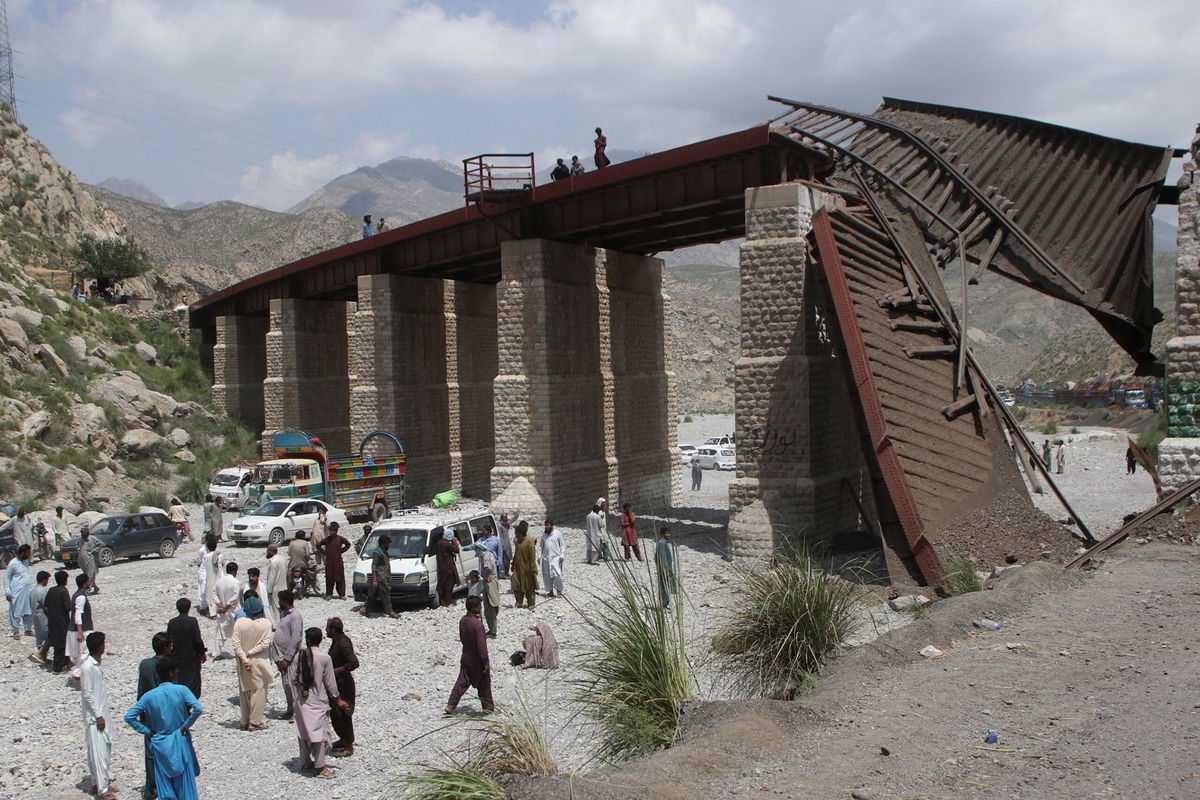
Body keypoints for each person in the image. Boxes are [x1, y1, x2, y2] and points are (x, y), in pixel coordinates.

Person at [123, 658, 203, 800]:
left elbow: (129, 717)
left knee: (165, 783)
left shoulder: (149, 696)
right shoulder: (182, 690)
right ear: (172, 673)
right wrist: (185, 726)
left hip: (160, 742)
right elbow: (198, 708)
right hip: (179, 739)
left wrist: (148, 732)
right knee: (185, 782)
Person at [291, 626, 348, 778]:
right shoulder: (324, 658)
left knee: (304, 732)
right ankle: (320, 767)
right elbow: (330, 683)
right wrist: (338, 699)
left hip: (302, 700)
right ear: (321, 640)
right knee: (320, 734)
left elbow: (293, 678)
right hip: (318, 701)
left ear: (307, 640)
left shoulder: (299, 656)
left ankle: (306, 761)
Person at [135, 632, 172, 800]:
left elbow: (141, 690)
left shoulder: (144, 665)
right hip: (168, 715)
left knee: (150, 752)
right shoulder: (168, 666)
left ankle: (150, 789)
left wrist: (141, 714)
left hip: (150, 713)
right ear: (165, 648)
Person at [445, 595, 494, 714]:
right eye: (479, 606)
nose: (481, 608)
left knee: (462, 681)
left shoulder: (463, 620)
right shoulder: (478, 625)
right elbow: (481, 646)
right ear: (474, 607)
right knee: (484, 684)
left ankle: (451, 705)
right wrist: (486, 662)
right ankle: (488, 708)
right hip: (477, 659)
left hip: (466, 655)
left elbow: (462, 638)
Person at [80, 631, 115, 799]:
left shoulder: (95, 664)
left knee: (103, 748)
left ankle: (100, 782)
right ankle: (102, 789)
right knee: (98, 751)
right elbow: (87, 693)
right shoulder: (87, 667)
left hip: (101, 713)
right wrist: (98, 715)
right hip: (95, 717)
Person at [232, 595, 273, 731]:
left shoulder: (239, 623)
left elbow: (236, 645)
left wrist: (244, 658)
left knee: (244, 690)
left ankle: (244, 720)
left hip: (242, 662)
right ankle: (255, 722)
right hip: (259, 661)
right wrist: (250, 654)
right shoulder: (266, 624)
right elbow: (265, 644)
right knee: (259, 690)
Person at [326, 617, 358, 757]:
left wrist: (333, 671)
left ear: (333, 629)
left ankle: (349, 745)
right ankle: (344, 739)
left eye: (327, 628)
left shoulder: (343, 643)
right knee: (335, 713)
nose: (326, 630)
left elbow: (353, 663)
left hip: (343, 684)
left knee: (344, 712)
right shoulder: (337, 641)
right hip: (337, 683)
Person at [271, 590, 303, 721]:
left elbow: (295, 638)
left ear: (285, 601)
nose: (279, 602)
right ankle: (290, 710)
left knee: (292, 684)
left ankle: (297, 713)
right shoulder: (285, 615)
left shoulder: (295, 616)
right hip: (282, 657)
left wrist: (287, 658)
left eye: (280, 600)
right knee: (286, 685)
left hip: (290, 657)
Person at [167, 598, 207, 698]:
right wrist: (202, 653)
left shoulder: (172, 622)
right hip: (191, 656)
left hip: (176, 656)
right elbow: (197, 639)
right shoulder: (192, 621)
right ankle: (191, 701)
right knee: (193, 679)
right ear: (189, 608)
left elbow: (168, 639)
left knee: (179, 679)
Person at [68, 573, 95, 679]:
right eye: (88, 581)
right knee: (86, 653)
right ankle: (78, 673)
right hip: (83, 630)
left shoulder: (77, 595)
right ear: (84, 584)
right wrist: (80, 632)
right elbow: (78, 614)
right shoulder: (81, 597)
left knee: (80, 655)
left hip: (77, 630)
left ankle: (82, 675)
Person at [362, 535, 396, 617]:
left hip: (385, 577)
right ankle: (390, 611)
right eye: (388, 544)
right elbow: (374, 566)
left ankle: (366, 609)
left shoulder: (384, 552)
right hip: (380, 578)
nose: (389, 545)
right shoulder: (377, 553)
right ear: (383, 544)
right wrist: (374, 579)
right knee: (385, 595)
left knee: (373, 595)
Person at [45, 570, 72, 673]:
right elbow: (68, 607)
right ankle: (58, 667)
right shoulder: (63, 591)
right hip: (62, 622)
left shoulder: (51, 590)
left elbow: (46, 605)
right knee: (61, 646)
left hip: (53, 622)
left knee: (58, 644)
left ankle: (65, 662)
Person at [213, 562, 242, 659]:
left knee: (221, 631)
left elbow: (214, 594)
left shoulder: (219, 581)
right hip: (233, 610)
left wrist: (220, 605)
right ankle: (239, 652)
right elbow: (235, 596)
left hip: (222, 611)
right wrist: (226, 606)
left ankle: (217, 653)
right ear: (235, 571)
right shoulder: (236, 582)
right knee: (237, 632)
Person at [4, 543, 33, 638]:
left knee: (28, 611)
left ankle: (28, 629)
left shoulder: (25, 562)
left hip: (26, 591)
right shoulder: (13, 563)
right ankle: (15, 631)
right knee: (16, 611)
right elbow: (7, 578)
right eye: (27, 553)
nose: (29, 555)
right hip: (17, 592)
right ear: (22, 553)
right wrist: (8, 592)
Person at [317, 521, 351, 600]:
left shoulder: (340, 538)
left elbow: (348, 544)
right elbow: (318, 545)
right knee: (329, 578)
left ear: (336, 531)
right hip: (329, 562)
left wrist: (341, 551)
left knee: (340, 578)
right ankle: (329, 594)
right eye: (331, 530)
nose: (332, 532)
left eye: (334, 531)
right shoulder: (327, 539)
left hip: (338, 561)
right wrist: (325, 553)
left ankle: (341, 594)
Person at [510, 521, 538, 609]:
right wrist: (513, 564)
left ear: (520, 533)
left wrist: (533, 569)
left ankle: (531, 604)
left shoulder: (529, 543)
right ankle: (519, 602)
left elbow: (532, 557)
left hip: (527, 570)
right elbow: (516, 554)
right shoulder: (518, 542)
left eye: (516, 533)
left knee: (529, 587)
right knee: (516, 585)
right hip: (518, 569)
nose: (515, 535)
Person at [478, 542, 500, 639]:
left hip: (490, 582)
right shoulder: (489, 554)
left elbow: (487, 567)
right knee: (490, 607)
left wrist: (485, 576)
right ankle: (492, 630)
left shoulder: (485, 556)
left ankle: (493, 631)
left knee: (491, 607)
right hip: (491, 580)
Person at [435, 529, 461, 607]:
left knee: (445, 583)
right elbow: (456, 550)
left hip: (442, 566)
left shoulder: (439, 543)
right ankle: (448, 601)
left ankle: (446, 600)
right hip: (448, 566)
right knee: (449, 584)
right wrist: (455, 542)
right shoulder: (447, 544)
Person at [265, 544, 288, 628]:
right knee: (283, 607)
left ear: (271, 551)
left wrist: (269, 590)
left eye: (267, 550)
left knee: (274, 608)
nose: (266, 553)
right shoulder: (283, 559)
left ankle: (275, 625)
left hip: (275, 588)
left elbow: (272, 577)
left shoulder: (273, 561)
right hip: (284, 586)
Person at [30, 569, 51, 663]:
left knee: (39, 636)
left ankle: (43, 657)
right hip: (43, 616)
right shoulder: (43, 591)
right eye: (47, 580)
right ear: (43, 580)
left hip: (34, 616)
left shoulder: (32, 591)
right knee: (49, 636)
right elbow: (46, 605)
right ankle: (39, 653)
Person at [540, 520, 565, 598]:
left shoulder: (557, 533)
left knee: (557, 575)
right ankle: (550, 591)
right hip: (546, 559)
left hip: (556, 558)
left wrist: (562, 555)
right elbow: (541, 547)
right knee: (547, 575)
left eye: (547, 525)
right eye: (545, 525)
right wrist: (539, 557)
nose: (546, 527)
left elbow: (562, 545)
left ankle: (559, 590)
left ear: (552, 525)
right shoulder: (544, 535)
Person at [202, 534, 223, 617]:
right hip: (220, 576)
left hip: (210, 577)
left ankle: (213, 613)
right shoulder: (220, 555)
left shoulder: (206, 557)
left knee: (211, 595)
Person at [656, 527, 676, 608]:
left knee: (666, 585)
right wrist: (665, 569)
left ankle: (665, 604)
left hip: (666, 568)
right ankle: (663, 604)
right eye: (667, 533)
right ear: (662, 534)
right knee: (664, 586)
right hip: (664, 569)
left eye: (669, 533)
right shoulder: (661, 543)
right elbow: (662, 556)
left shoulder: (663, 543)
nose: (669, 535)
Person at [78, 525, 100, 594]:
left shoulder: (92, 538)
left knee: (89, 575)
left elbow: (101, 544)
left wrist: (95, 550)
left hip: (89, 559)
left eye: (85, 534)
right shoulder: (80, 539)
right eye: (82, 534)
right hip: (82, 560)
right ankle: (95, 587)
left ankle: (87, 590)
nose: (83, 536)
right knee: (87, 574)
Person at [496, 513, 514, 579]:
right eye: (504, 517)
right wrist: (503, 545)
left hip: (508, 544)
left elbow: (512, 520)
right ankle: (503, 574)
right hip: (503, 545)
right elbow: (500, 536)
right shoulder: (499, 525)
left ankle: (506, 573)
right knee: (504, 560)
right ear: (501, 518)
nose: (506, 519)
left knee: (508, 558)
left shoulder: (506, 523)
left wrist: (516, 515)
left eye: (506, 517)